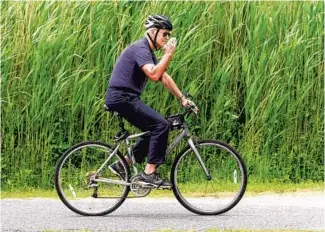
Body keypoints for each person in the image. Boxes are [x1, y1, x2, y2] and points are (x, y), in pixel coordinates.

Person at [105, 15, 197, 188]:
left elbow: (164, 77)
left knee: (154, 128)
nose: (167, 39)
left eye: (169, 35)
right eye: (165, 34)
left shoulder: (147, 51)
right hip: (121, 97)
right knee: (160, 125)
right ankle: (149, 174)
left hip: (125, 97)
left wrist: (182, 99)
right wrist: (168, 55)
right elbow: (154, 75)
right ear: (153, 32)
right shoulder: (141, 49)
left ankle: (122, 164)